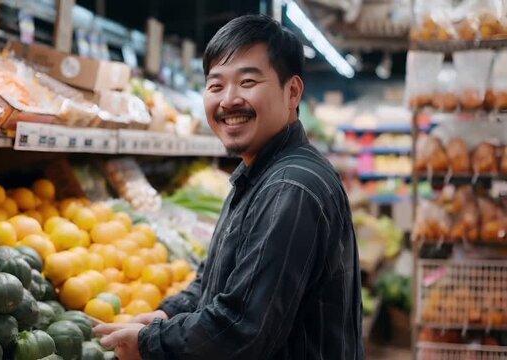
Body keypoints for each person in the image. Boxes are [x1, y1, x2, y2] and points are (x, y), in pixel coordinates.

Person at [95, 14, 364, 360]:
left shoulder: (291, 187)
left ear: (292, 91)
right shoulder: (257, 173)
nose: (228, 100)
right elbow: (216, 282)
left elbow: (243, 329)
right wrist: (168, 314)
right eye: (216, 85)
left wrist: (152, 344)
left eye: (248, 82)